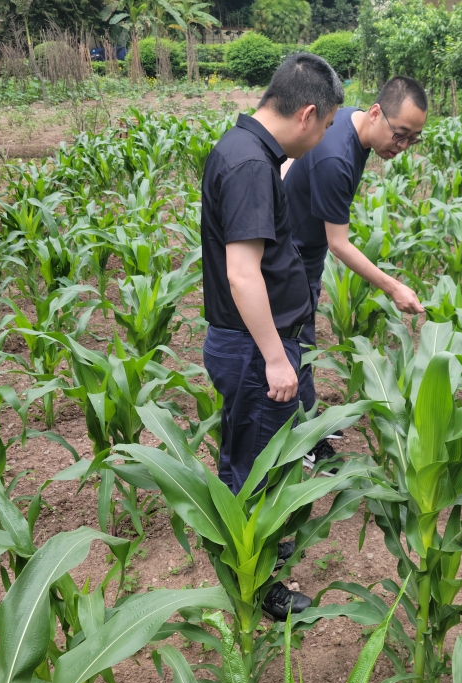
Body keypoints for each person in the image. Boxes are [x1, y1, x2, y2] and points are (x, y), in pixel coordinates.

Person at [201, 52, 345, 619]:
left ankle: (255, 553)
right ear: (308, 113)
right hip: (253, 349)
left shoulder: (248, 151)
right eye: (328, 125)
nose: (326, 137)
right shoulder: (249, 166)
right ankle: (259, 587)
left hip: (250, 345)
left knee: (250, 455)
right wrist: (275, 359)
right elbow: (242, 272)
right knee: (254, 471)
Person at [283, 76, 428, 470]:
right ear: (377, 113)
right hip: (291, 253)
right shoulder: (337, 158)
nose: (403, 148)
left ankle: (310, 418)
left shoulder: (351, 122)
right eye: (400, 135)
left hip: (303, 244)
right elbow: (340, 244)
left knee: (304, 338)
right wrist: (394, 286)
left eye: (413, 139)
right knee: (293, 343)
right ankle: (301, 439)